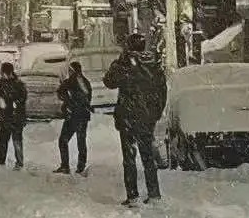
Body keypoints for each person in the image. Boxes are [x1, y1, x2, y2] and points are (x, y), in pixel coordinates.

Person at [103, 33, 167, 206]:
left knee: (129, 157)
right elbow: (162, 90)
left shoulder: (124, 64)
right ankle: (154, 194)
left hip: (128, 116)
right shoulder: (154, 63)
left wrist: (119, 62)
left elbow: (109, 81)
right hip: (146, 117)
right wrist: (156, 112)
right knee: (148, 156)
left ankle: (133, 196)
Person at [54, 61, 92, 175]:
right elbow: (88, 98)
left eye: (70, 70)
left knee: (63, 140)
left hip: (73, 116)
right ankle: (81, 166)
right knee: (81, 141)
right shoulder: (85, 82)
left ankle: (65, 166)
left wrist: (68, 103)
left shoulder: (69, 81)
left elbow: (60, 93)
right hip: (83, 115)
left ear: (72, 71)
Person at [0, 61, 27, 170]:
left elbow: (22, 99)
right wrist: (2, 105)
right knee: (10, 139)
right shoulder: (15, 84)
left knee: (10, 139)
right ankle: (5, 161)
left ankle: (12, 162)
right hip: (12, 116)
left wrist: (6, 105)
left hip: (12, 116)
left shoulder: (11, 85)